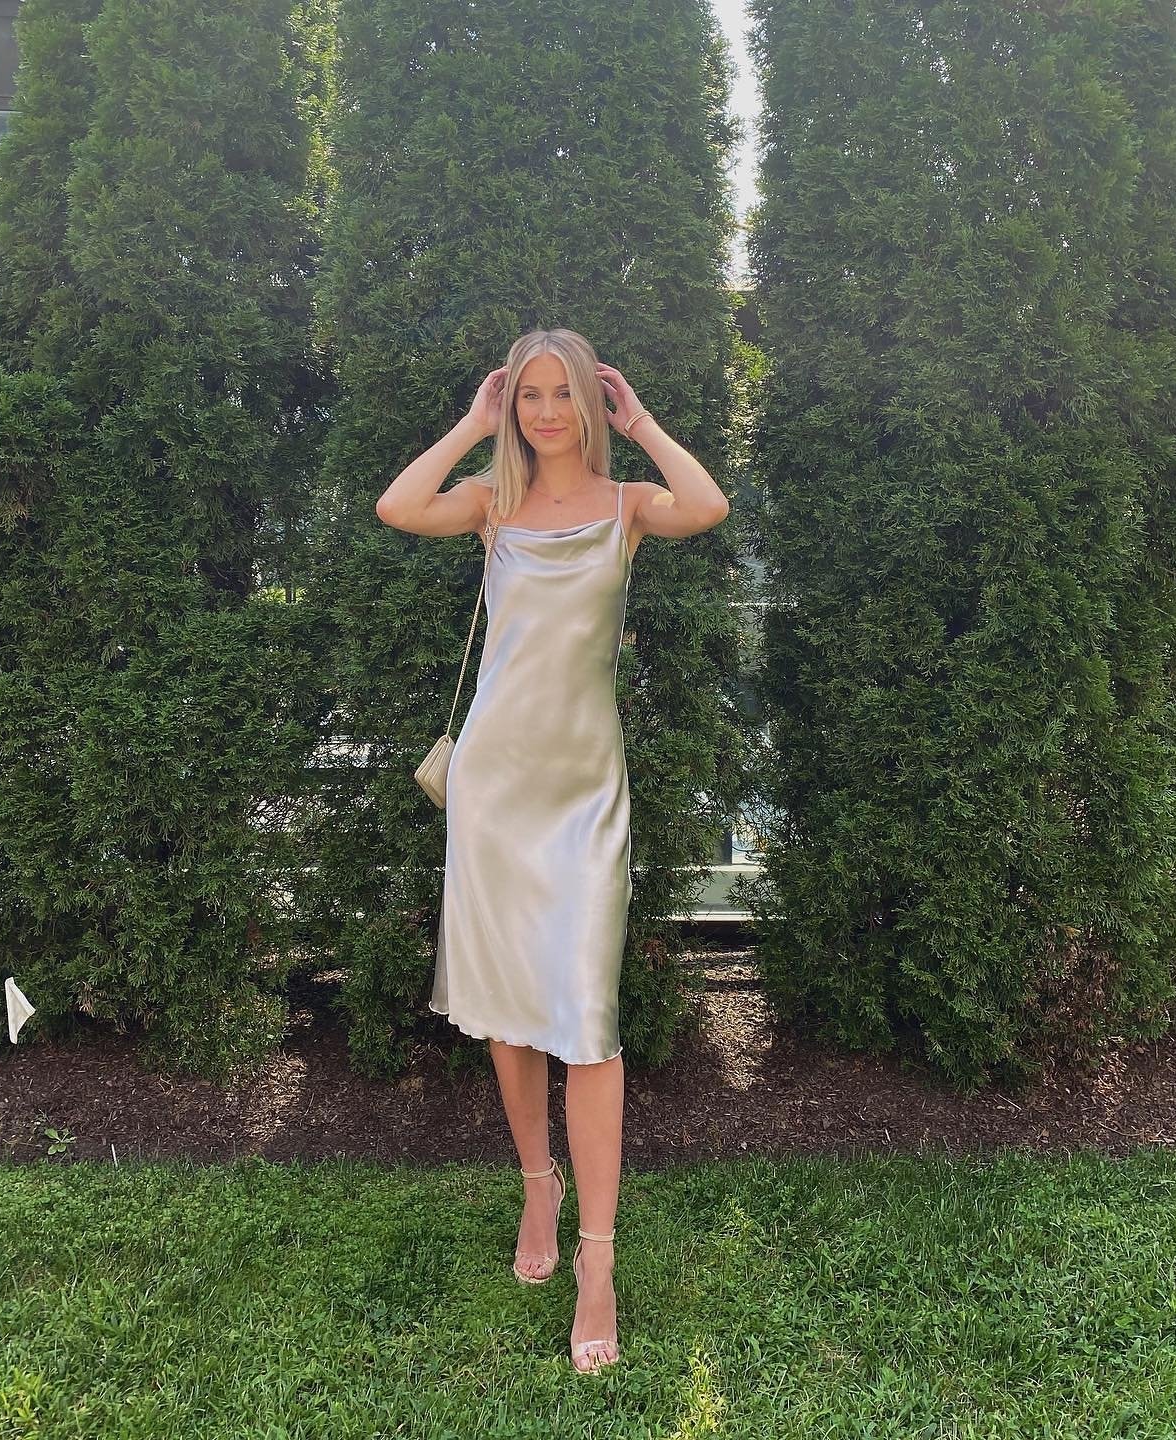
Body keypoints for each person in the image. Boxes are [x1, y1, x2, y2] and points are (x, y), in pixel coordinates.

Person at [375, 327, 729, 1372]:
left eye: (560, 394)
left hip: (584, 801)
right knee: (506, 1012)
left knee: (588, 1023)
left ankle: (598, 1260)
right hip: (493, 792)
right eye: (527, 395)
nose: (544, 412)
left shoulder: (627, 510)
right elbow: (397, 506)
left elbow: (708, 505)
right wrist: (470, 424)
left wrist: (641, 420)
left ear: (588, 401)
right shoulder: (491, 505)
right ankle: (539, 1184)